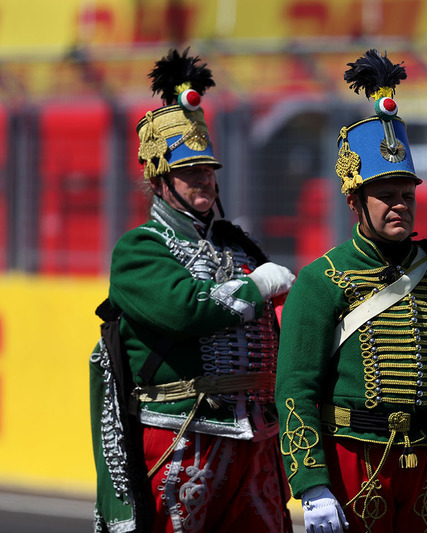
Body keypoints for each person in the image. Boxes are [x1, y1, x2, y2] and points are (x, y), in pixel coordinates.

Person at [275, 49, 427, 533]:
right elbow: (296, 388)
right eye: (385, 194)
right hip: (354, 461)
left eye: (407, 193)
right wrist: (312, 483)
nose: (400, 204)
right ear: (354, 200)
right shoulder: (321, 281)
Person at [89, 48, 295, 532]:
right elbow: (184, 310)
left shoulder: (238, 244)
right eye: (190, 172)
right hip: (184, 432)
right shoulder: (140, 250)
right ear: (161, 181)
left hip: (256, 437)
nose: (203, 179)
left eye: (207, 171)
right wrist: (254, 286)